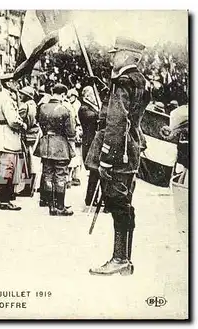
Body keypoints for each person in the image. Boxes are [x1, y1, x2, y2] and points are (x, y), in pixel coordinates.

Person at [86, 37, 150, 276]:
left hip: (119, 153)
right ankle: (125, 259)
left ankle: (119, 259)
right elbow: (131, 112)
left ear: (126, 56)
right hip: (131, 149)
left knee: (117, 203)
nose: (112, 57)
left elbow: (117, 121)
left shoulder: (122, 81)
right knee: (125, 204)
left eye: (115, 53)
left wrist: (106, 158)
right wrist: (105, 89)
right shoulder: (138, 80)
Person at [34, 83, 76, 216]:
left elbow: (39, 123)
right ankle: (60, 206)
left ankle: (51, 206)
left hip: (45, 144)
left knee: (47, 175)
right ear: (63, 95)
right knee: (60, 176)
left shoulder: (42, 107)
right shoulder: (65, 109)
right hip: (60, 146)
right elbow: (71, 132)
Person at [0, 73, 27, 211]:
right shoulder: (7, 99)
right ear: (8, 83)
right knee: (7, 169)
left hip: (1, 135)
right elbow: (12, 120)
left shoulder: (1, 97)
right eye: (14, 82)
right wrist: (22, 125)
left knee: (4, 169)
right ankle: (5, 200)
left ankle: (3, 199)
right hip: (8, 137)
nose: (16, 84)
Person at [78, 86, 100, 208]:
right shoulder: (84, 108)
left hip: (93, 142)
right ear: (86, 96)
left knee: (95, 173)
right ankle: (90, 198)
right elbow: (91, 117)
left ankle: (92, 197)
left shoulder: (92, 107)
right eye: (92, 94)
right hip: (89, 142)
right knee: (94, 171)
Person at [17, 85, 40, 198]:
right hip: (33, 136)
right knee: (30, 163)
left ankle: (28, 188)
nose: (20, 95)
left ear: (27, 96)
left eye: (22, 94)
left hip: (26, 136)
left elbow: (19, 120)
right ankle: (30, 188)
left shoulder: (25, 106)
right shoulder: (33, 105)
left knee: (26, 164)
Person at [66, 88, 82, 187]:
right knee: (74, 155)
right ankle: (74, 177)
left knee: (76, 155)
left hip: (77, 131)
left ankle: (75, 177)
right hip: (75, 132)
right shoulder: (72, 104)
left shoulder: (77, 105)